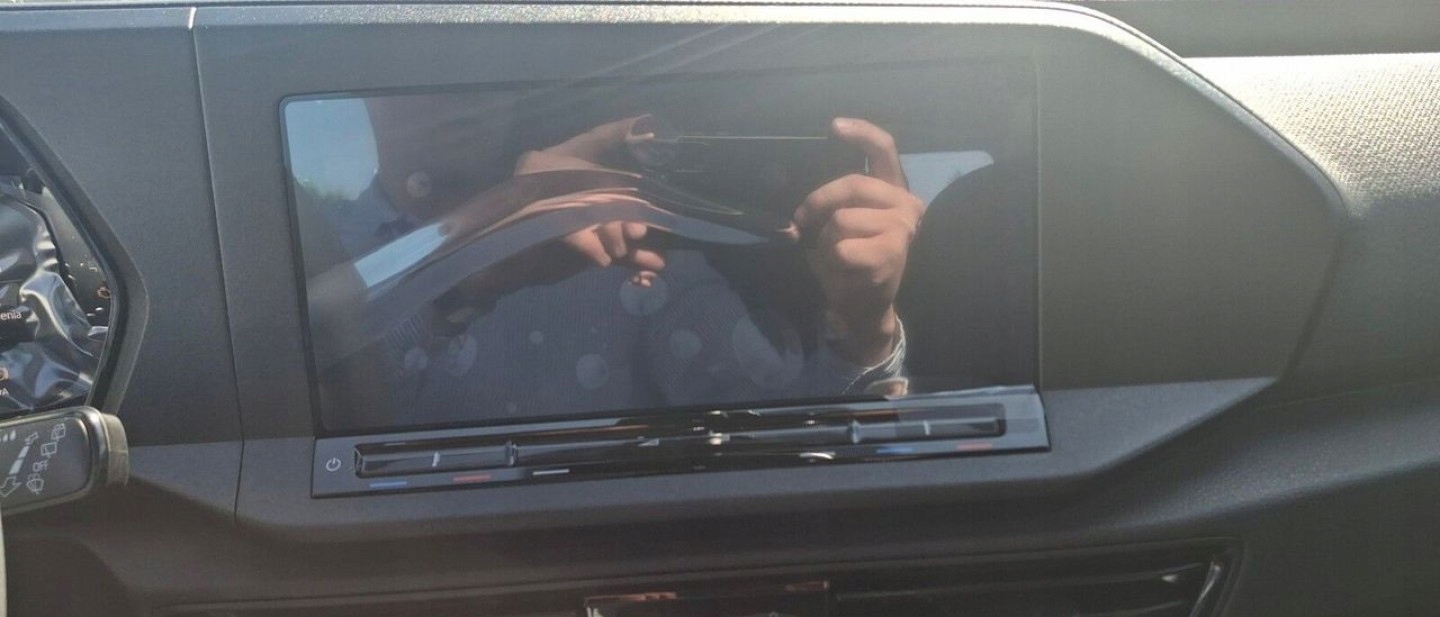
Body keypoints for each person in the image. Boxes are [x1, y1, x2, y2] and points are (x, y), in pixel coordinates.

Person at [316, 95, 923, 427]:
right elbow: (292, 419)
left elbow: (794, 443)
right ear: (366, 76)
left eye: (473, 42)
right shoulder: (307, 248)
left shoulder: (630, 251)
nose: (453, 86)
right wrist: (476, 265)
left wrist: (864, 327)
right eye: (425, 33)